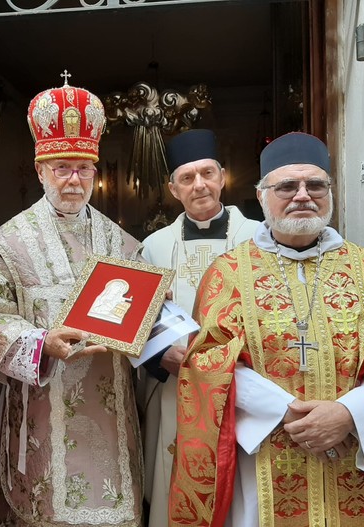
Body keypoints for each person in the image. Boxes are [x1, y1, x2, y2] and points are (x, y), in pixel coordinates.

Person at [169, 132, 364, 526]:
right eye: (287, 185)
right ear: (261, 196)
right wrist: (285, 411)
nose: (302, 195)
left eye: (316, 185)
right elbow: (206, 361)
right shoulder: (229, 273)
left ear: (330, 192)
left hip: (352, 454)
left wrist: (348, 413)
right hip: (263, 459)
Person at [0, 76, 144, 526]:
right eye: (62, 168)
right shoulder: (6, 245)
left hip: (111, 414)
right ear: (40, 169)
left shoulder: (122, 244)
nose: (74, 179)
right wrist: (41, 342)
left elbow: (150, 314)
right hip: (43, 414)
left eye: (83, 168)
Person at [140, 129, 258, 525]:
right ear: (173, 189)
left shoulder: (259, 239)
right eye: (187, 178)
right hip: (175, 390)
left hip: (242, 390)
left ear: (223, 177)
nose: (200, 185)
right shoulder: (152, 247)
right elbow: (136, 322)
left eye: (207, 173)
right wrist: (158, 355)